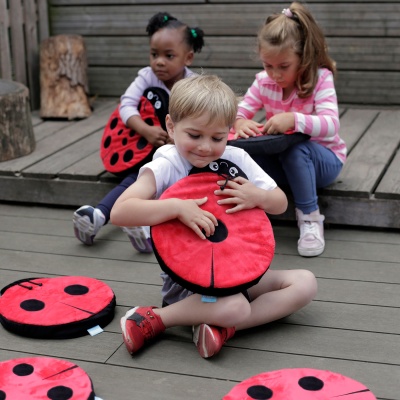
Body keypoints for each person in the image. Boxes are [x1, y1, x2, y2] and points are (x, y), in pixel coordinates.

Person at [110, 74, 318, 359]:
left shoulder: (236, 160)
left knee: (305, 283)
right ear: (171, 126)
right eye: (194, 135)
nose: (205, 147)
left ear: (229, 132)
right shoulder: (169, 164)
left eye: (217, 137)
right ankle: (156, 318)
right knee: (237, 307)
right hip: (188, 283)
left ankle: (220, 329)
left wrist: (258, 196)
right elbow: (120, 211)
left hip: (239, 270)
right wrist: (177, 207)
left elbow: (280, 203)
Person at [73, 12, 205, 252]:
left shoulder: (194, 84)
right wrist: (145, 130)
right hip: (144, 147)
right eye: (154, 54)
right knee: (139, 177)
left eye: (169, 56)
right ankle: (99, 216)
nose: (159, 62)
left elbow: (201, 118)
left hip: (179, 152)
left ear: (188, 58)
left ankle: (130, 223)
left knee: (155, 178)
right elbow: (126, 105)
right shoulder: (147, 76)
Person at [231, 2, 347, 257]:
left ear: (303, 57)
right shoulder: (263, 81)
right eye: (267, 65)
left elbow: (331, 126)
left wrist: (294, 119)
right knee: (242, 155)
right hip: (283, 163)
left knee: (297, 151)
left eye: (283, 66)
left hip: (323, 161)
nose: (275, 74)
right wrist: (239, 122)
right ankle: (249, 214)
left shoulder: (320, 78)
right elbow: (238, 111)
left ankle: (309, 219)